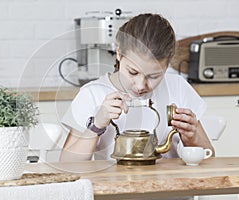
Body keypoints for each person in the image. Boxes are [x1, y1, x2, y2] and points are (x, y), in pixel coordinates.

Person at [60, 13, 215, 162]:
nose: (141, 86)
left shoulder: (178, 88)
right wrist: (96, 125)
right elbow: (67, 164)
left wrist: (192, 137)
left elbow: (210, 158)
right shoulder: (92, 94)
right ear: (119, 54)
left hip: (169, 186)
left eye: (153, 76)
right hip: (116, 187)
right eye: (132, 72)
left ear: (167, 65)